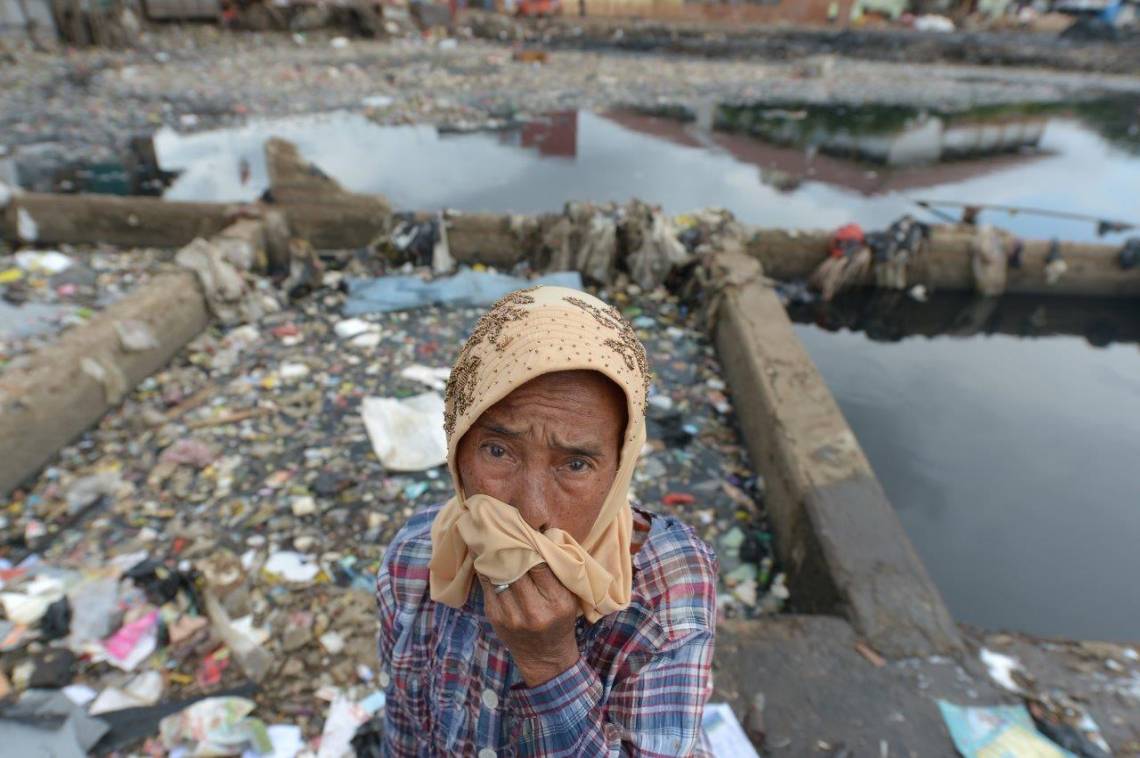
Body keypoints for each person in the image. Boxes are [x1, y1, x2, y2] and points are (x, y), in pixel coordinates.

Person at [376, 286, 718, 756]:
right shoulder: (416, 560)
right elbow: (405, 734)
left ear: (619, 470)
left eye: (575, 464)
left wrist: (550, 664)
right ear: (459, 451)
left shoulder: (666, 594)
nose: (531, 511)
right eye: (498, 451)